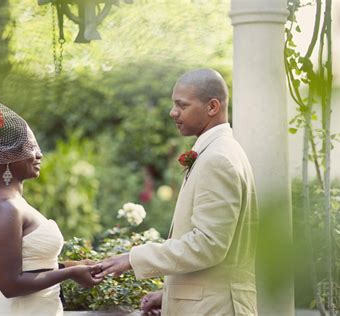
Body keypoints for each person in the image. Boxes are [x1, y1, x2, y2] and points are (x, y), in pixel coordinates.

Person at [96, 69, 259, 315]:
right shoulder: (218, 151)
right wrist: (170, 296)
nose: (173, 112)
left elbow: (209, 245)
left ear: (212, 107)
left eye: (182, 105)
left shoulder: (218, 159)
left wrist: (133, 258)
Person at [0, 102, 102, 315]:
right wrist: (71, 273)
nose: (39, 154)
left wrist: (70, 265)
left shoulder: (12, 200)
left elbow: (29, 267)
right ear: (5, 155)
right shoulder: (5, 207)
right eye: (31, 147)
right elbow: (10, 285)